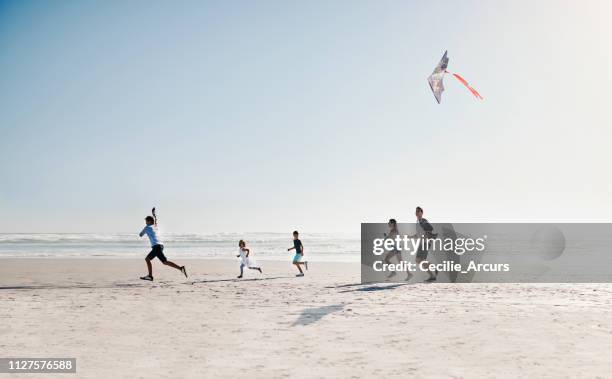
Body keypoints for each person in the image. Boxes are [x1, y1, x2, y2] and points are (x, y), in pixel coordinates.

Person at [138, 208, 187, 281]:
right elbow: (155, 220)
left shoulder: (147, 227)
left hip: (156, 247)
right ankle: (181, 268)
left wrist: (145, 228)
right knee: (165, 262)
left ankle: (150, 276)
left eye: (146, 222)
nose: (145, 223)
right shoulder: (155, 226)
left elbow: (140, 235)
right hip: (160, 246)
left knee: (147, 259)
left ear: (149, 221)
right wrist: (154, 215)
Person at [414, 206, 437, 282]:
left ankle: (432, 274)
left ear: (421, 212)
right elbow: (418, 235)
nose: (416, 213)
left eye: (418, 211)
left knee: (419, 260)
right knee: (419, 260)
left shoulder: (423, 221)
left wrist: (426, 236)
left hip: (425, 242)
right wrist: (409, 237)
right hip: (422, 242)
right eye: (416, 211)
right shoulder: (418, 222)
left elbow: (430, 228)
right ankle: (433, 272)